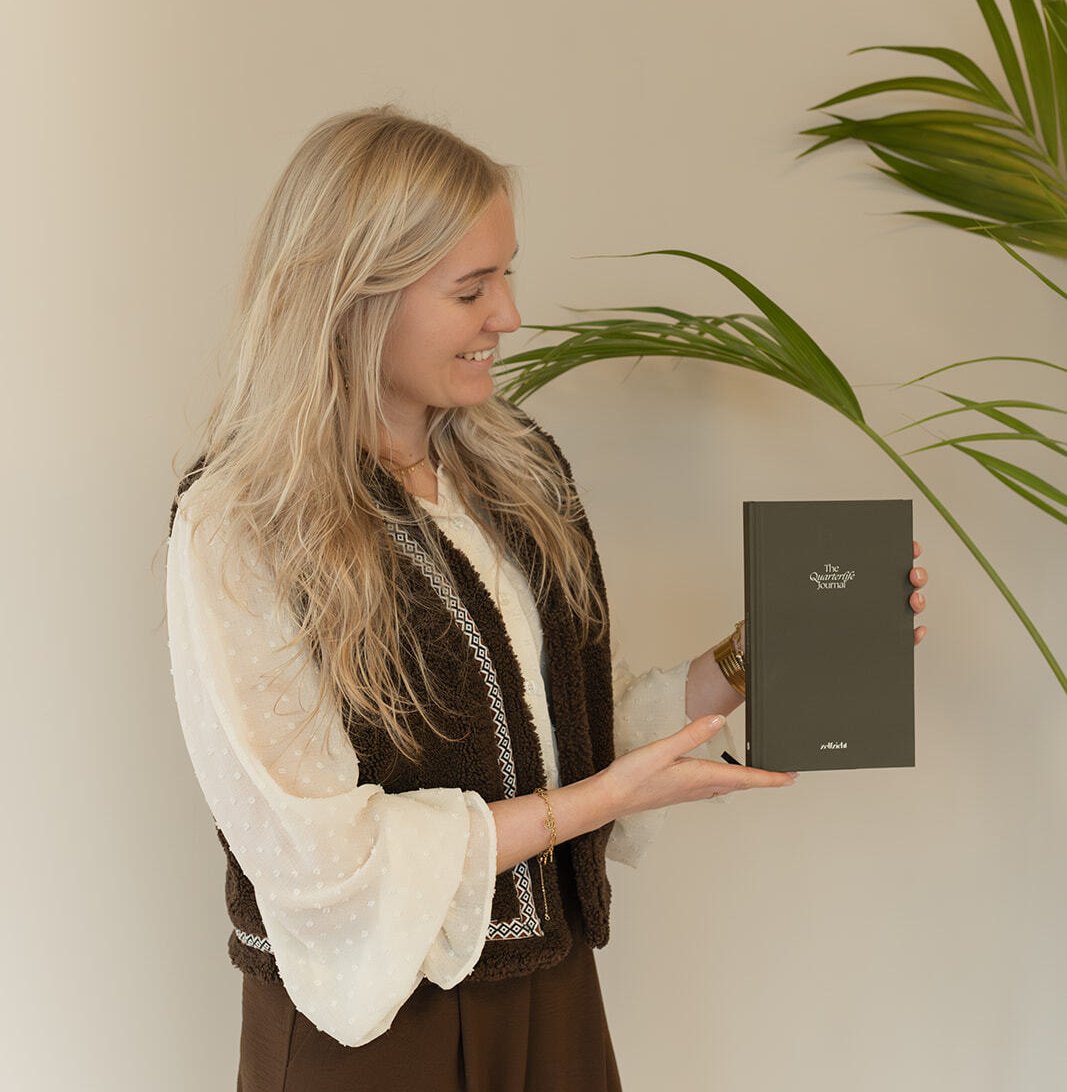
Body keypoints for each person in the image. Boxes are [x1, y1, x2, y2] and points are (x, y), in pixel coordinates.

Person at [165, 106, 929, 1092]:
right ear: (352, 298)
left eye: (507, 275)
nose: (508, 317)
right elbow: (318, 855)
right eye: (470, 288)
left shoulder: (515, 473)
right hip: (368, 1025)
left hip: (551, 990)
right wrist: (600, 803)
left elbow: (560, 732)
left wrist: (749, 658)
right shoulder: (243, 521)